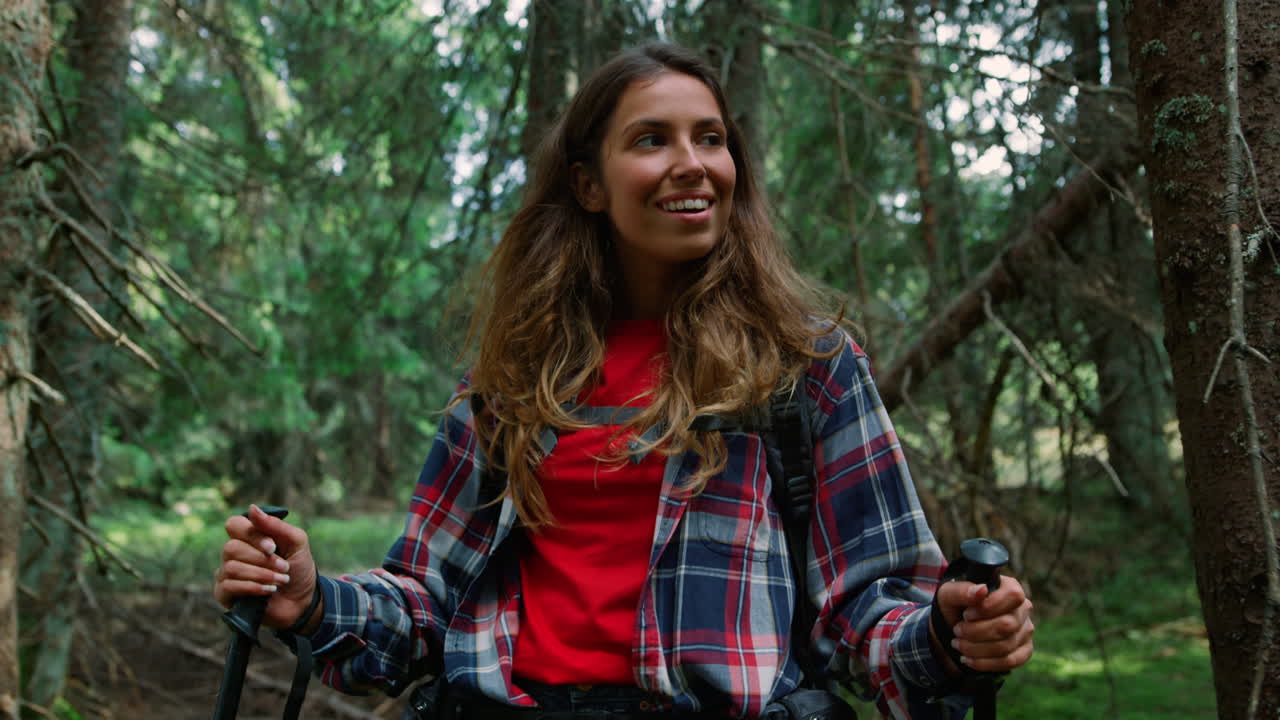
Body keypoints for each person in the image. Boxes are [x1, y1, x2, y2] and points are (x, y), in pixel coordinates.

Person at [213, 43, 1034, 720]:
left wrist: (949, 633)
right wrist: (316, 598)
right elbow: (426, 603)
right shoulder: (514, 378)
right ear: (588, 185)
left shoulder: (802, 367)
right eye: (652, 140)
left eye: (711, 139)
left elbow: (871, 609)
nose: (693, 165)